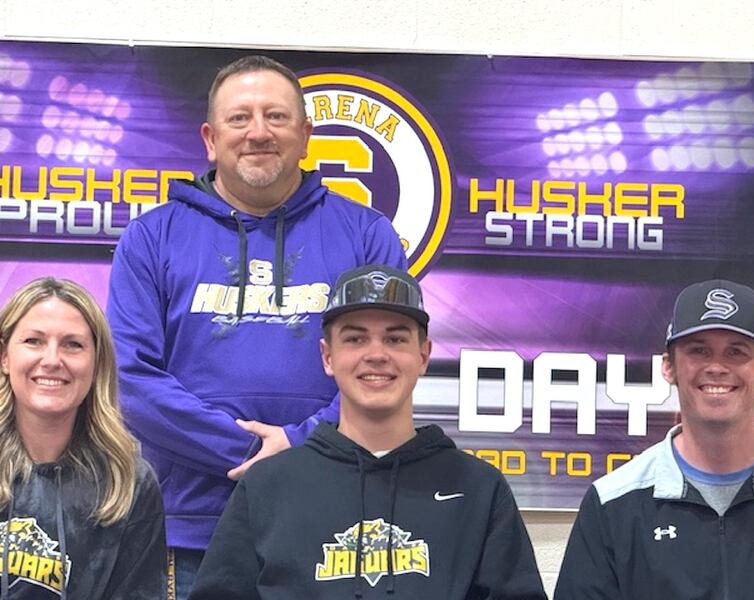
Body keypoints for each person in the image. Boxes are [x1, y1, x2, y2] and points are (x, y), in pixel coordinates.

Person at [106, 55, 407, 597]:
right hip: (193, 526)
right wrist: (250, 454)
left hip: (333, 516)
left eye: (276, 117)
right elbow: (129, 379)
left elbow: (387, 367)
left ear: (306, 134)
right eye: (240, 118)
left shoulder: (367, 236)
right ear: (210, 136)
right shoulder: (151, 239)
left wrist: (300, 446)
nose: (258, 133)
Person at [187, 264, 547, 599]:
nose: (376, 354)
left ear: (423, 355)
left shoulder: (477, 487)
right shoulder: (268, 485)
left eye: (395, 339)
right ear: (328, 357)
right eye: (356, 339)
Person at [554, 279, 754, 599]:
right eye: (699, 350)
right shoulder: (613, 505)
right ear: (668, 367)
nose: (716, 367)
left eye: (736, 352)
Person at [0, 277, 166, 599]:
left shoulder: (129, 482)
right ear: (5, 357)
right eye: (33, 341)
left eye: (72, 344)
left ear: (96, 361)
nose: (51, 360)